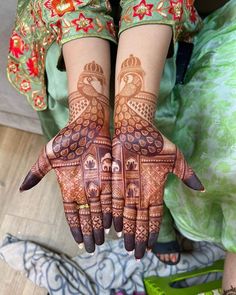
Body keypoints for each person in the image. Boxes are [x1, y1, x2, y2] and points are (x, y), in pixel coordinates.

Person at [7, 0, 236, 293]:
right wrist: (87, 113)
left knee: (150, 156)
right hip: (61, 47)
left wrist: (135, 114)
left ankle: (160, 218)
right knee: (82, 149)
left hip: (157, 46)